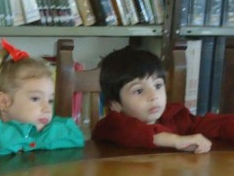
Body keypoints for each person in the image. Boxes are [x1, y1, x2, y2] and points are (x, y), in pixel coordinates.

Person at [92, 46, 234, 153]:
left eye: (158, 86)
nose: (153, 96)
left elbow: (208, 124)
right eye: (139, 91)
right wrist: (175, 140)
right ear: (116, 104)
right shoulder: (110, 126)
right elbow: (130, 132)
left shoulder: (175, 116)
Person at [0, 39, 85, 155]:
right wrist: (39, 141)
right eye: (35, 99)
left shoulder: (47, 126)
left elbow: (76, 136)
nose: (47, 109)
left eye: (50, 100)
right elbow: (1, 142)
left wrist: (33, 141)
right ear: (4, 102)